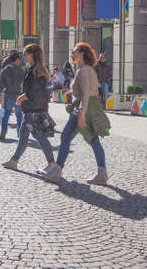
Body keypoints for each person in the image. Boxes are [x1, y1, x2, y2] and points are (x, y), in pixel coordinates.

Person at [40, 43, 109, 185]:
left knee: (66, 137)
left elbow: (86, 94)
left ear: (82, 53)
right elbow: (93, 90)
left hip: (82, 110)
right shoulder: (89, 69)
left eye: (74, 52)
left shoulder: (83, 70)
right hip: (89, 107)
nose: (71, 55)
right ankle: (102, 173)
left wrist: (82, 114)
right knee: (93, 139)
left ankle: (57, 171)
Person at [2, 44, 55, 171]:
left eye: (25, 54)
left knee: (39, 137)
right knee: (23, 135)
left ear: (31, 55)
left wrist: (21, 98)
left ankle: (52, 164)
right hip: (34, 108)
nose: (23, 56)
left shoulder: (35, 71)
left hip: (33, 109)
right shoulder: (37, 69)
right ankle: (14, 160)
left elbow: (33, 92)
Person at [0, 51, 24, 141]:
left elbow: (0, 85)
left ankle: (3, 133)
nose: (20, 61)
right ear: (16, 60)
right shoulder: (21, 70)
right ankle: (20, 134)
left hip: (8, 94)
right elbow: (24, 84)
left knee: (6, 114)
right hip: (18, 95)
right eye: (19, 59)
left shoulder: (4, 70)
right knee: (19, 115)